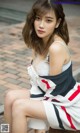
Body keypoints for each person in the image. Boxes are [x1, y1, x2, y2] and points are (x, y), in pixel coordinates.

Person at [4, 0, 80, 133]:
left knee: (19, 106)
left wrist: (39, 128)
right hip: (49, 95)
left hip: (67, 104)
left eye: (48, 20)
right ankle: (4, 130)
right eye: (38, 18)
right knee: (10, 96)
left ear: (58, 23)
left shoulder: (56, 48)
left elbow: (54, 94)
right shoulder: (39, 42)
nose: (41, 25)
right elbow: (37, 83)